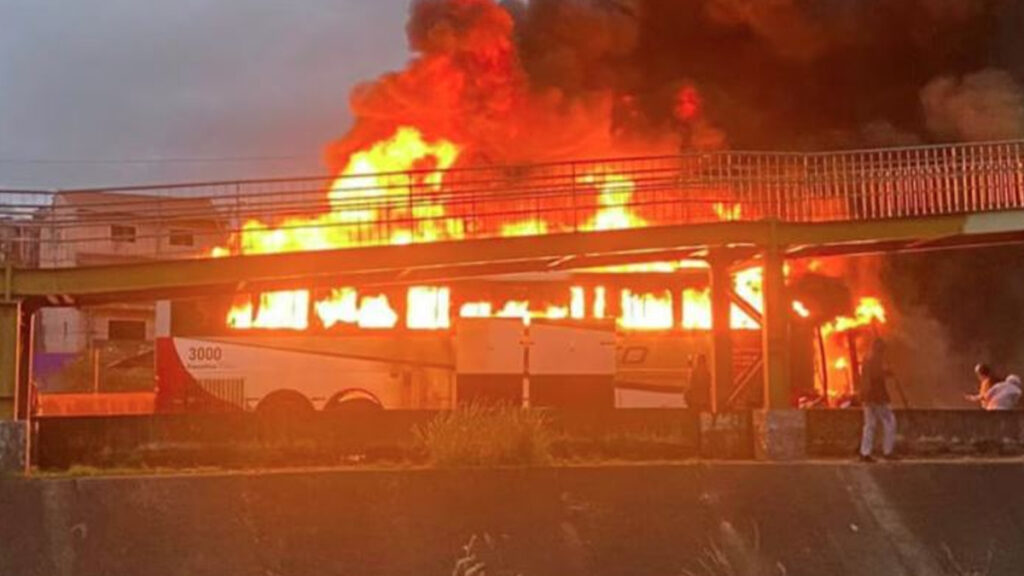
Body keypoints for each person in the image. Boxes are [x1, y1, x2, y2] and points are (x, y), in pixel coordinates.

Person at [858, 338, 897, 462]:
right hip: (877, 396)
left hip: (867, 397)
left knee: (869, 424)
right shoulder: (874, 359)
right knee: (890, 422)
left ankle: (865, 453)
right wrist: (887, 373)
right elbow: (875, 376)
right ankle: (887, 451)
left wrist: (885, 372)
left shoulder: (867, 358)